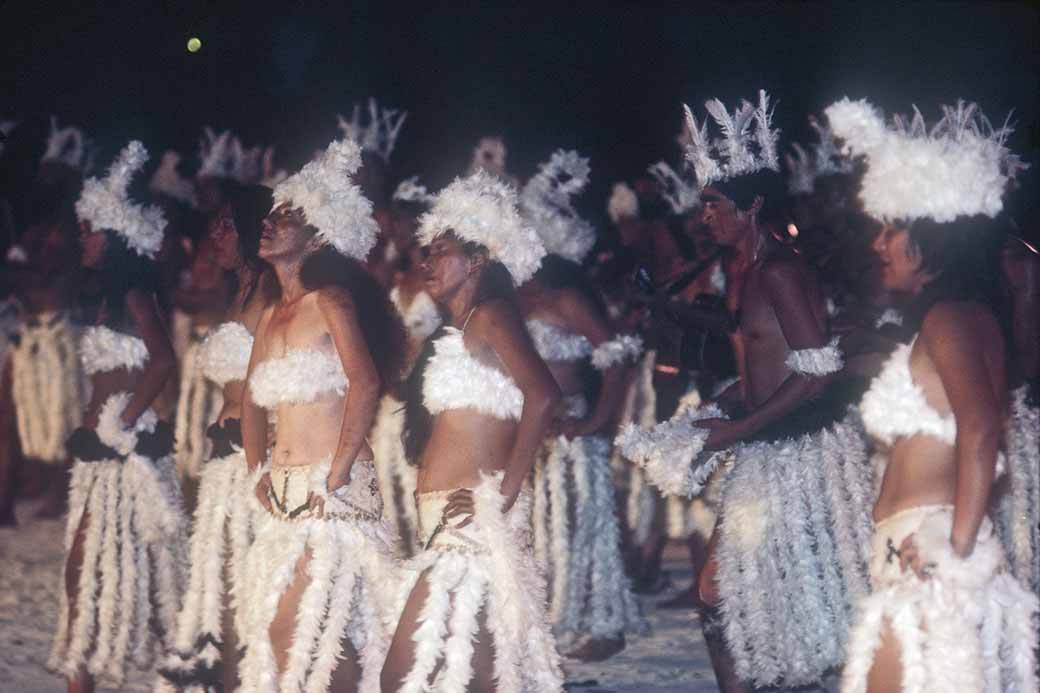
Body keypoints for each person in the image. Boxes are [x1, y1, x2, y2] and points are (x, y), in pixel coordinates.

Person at [619, 92, 873, 692]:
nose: (703, 216)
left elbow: (818, 370)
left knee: (762, 592)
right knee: (731, 592)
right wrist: (720, 408)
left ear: (751, 204)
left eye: (713, 204)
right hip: (766, 442)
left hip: (798, 453)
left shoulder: (779, 270)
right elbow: (768, 363)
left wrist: (739, 428)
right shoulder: (746, 272)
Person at [827, 97, 1038, 693]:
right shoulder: (961, 317)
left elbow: (981, 432)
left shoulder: (952, 317)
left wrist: (957, 550)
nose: (878, 244)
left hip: (932, 554)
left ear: (932, 236)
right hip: (911, 549)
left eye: (891, 229)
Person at [381, 171, 565, 693]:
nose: (427, 262)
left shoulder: (491, 316)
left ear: (478, 259)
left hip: (474, 520)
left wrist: (504, 491)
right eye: (427, 252)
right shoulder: (458, 330)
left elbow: (545, 395)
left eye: (440, 252)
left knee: (403, 673)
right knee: (475, 672)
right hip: (446, 520)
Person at [237, 137, 403, 693]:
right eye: (273, 215)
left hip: (332, 491)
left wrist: (336, 472)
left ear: (316, 235)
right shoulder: (271, 314)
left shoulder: (331, 300)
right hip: (282, 494)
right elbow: (250, 400)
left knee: (320, 637)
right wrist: (257, 468)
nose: (270, 224)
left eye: (287, 218)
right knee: (290, 636)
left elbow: (367, 381)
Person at [48, 141, 186, 692]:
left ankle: (182, 672)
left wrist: (122, 421)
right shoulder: (108, 298)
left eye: (90, 230)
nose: (82, 239)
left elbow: (164, 361)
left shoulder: (132, 294)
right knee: (88, 577)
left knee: (133, 583)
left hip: (123, 456)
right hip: (99, 458)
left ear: (114, 236)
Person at [518, 149, 646, 660]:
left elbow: (618, 356)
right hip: (530, 430)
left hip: (571, 428)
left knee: (585, 523)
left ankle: (603, 623)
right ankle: (551, 618)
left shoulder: (566, 297)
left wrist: (597, 420)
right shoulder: (514, 297)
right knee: (542, 528)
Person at [158, 183, 277, 691]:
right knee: (223, 597)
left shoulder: (272, 293)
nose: (216, 234)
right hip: (227, 459)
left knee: (246, 600)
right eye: (216, 224)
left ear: (253, 230)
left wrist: (258, 467)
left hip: (257, 462)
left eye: (228, 224)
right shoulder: (242, 292)